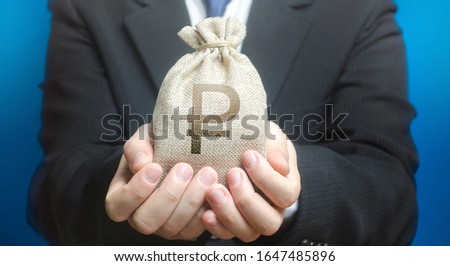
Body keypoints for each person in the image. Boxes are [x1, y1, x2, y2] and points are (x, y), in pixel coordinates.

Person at [28, 0, 419, 245]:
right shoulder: (87, 6)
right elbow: (56, 184)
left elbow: (391, 191)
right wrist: (126, 187)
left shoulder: (359, 8)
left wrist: (289, 197)